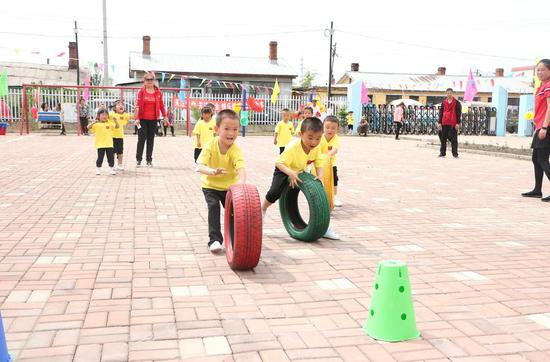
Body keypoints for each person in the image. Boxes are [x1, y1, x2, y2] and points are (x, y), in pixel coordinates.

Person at [197, 109, 246, 253]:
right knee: (213, 208)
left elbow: (241, 168)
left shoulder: (235, 150)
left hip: (229, 188)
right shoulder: (210, 145)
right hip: (210, 185)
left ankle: (234, 237)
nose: (231, 133)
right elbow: (200, 166)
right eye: (227, 129)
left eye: (235, 129)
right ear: (217, 129)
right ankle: (215, 240)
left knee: (233, 212)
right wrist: (212, 171)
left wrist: (241, 184)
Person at [522, 59, 550, 202]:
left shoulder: (549, 86)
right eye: (537, 70)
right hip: (541, 126)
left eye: (543, 69)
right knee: (536, 159)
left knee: (542, 159)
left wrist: (544, 127)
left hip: (546, 127)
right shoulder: (542, 86)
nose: (539, 72)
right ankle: (537, 190)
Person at [134, 72, 167, 167]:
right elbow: (137, 105)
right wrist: (137, 118)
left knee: (151, 140)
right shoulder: (141, 91)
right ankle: (138, 159)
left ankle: (149, 160)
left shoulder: (158, 92)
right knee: (141, 139)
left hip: (153, 119)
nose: (149, 81)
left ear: (154, 81)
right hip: (142, 119)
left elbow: (161, 105)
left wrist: (165, 116)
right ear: (144, 81)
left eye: (151, 79)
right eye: (147, 80)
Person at [320, 115, 343, 208]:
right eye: (327, 127)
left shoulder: (336, 138)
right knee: (319, 180)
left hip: (331, 164)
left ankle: (334, 197)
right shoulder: (320, 137)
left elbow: (335, 149)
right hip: (319, 164)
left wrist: (328, 155)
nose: (330, 130)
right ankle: (319, 197)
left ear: (337, 129)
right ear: (323, 127)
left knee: (334, 180)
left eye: (333, 128)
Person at [88, 109, 119, 176]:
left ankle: (111, 169)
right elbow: (88, 127)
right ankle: (98, 169)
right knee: (100, 157)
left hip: (109, 144)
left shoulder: (110, 123)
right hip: (100, 145)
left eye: (106, 115)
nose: (105, 116)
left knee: (110, 157)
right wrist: (93, 122)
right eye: (102, 115)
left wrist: (115, 121)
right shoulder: (96, 124)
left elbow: (117, 127)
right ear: (98, 116)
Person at [438, 88, 462, 158]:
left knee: (454, 139)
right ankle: (442, 153)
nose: (449, 94)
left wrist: (458, 123)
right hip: (444, 122)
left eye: (450, 93)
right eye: (448, 93)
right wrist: (439, 122)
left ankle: (455, 153)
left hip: (453, 123)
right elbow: (441, 113)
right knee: (443, 139)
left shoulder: (457, 103)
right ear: (446, 93)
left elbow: (458, 113)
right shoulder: (444, 102)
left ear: (452, 93)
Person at [110, 100, 131, 171]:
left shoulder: (124, 115)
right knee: (112, 152)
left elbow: (133, 117)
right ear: (115, 108)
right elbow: (103, 115)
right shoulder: (111, 114)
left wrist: (137, 110)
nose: (121, 106)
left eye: (122, 105)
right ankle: (111, 165)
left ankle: (120, 164)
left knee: (120, 152)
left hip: (120, 137)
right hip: (112, 136)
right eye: (118, 105)